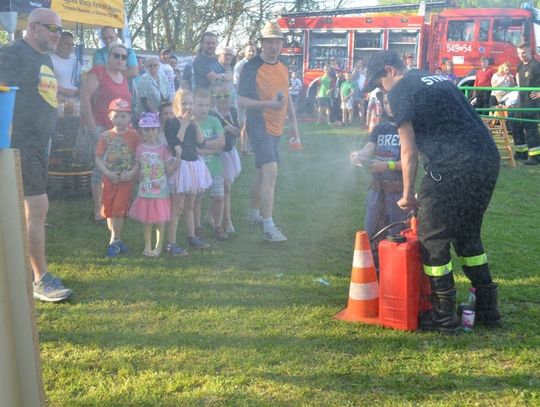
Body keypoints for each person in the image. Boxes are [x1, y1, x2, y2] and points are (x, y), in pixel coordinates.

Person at [365, 50, 501, 333]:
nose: (381, 89)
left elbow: (408, 150)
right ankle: (488, 310)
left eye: (379, 83)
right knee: (467, 233)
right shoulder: (435, 77)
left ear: (389, 70)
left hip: (453, 166)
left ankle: (444, 318)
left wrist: (407, 194)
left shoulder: (400, 91)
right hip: (486, 160)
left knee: (432, 238)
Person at [0, 7, 73, 301]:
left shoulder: (42, 57)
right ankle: (41, 279)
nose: (58, 35)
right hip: (20, 143)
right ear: (34, 28)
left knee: (32, 210)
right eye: (53, 29)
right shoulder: (13, 53)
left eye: (59, 29)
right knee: (36, 208)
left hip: (39, 144)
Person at [238, 21, 300, 242]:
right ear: (262, 43)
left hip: (277, 127)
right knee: (271, 171)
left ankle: (254, 213)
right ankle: (268, 226)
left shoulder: (283, 64)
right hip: (258, 125)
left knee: (261, 173)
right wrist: (267, 105)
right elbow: (241, 100)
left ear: (281, 44)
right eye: (270, 42)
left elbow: (287, 96)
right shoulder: (251, 67)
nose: (274, 46)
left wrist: (294, 124)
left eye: (277, 42)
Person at [350, 97, 406, 270]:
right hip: (376, 190)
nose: (390, 106)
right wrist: (359, 155)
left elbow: (410, 163)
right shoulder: (380, 128)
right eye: (387, 102)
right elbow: (369, 149)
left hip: (397, 192)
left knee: (397, 234)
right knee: (372, 232)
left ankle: (394, 271)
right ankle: (374, 271)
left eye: (393, 102)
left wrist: (387, 165)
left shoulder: (407, 129)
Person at [80, 42, 131, 224]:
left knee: (119, 166)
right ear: (109, 56)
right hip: (102, 127)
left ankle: (115, 206)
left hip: (122, 130)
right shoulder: (98, 72)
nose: (119, 59)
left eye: (123, 57)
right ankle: (97, 210)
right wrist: (93, 127)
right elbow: (84, 97)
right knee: (100, 169)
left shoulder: (124, 78)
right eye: (116, 55)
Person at [164, 89, 212, 253]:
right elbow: (175, 142)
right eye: (184, 103)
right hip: (180, 166)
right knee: (177, 207)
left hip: (194, 165)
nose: (188, 106)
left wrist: (195, 123)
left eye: (190, 103)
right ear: (177, 105)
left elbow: (202, 144)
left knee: (190, 205)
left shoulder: (193, 123)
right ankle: (171, 242)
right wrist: (184, 124)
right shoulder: (171, 123)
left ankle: (191, 237)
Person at [94, 98, 140, 257]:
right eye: (116, 116)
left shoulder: (134, 136)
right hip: (109, 178)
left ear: (129, 117)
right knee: (108, 210)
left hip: (125, 179)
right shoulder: (105, 136)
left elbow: (139, 158)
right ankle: (116, 239)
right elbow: (98, 158)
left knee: (119, 210)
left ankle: (113, 240)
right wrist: (108, 173)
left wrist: (132, 173)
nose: (120, 120)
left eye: (123, 116)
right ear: (110, 116)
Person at [129, 112, 179, 257]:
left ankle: (158, 247)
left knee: (160, 220)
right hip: (145, 190)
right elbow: (138, 166)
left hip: (160, 191)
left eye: (153, 129)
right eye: (146, 129)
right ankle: (147, 245)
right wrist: (136, 175)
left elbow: (168, 169)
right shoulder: (140, 148)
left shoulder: (164, 149)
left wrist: (179, 158)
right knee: (146, 220)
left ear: (158, 130)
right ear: (141, 131)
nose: (150, 132)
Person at [191, 88, 227, 240]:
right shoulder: (190, 123)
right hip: (198, 170)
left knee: (219, 197)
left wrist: (203, 148)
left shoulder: (214, 121)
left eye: (206, 105)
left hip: (214, 168)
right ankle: (197, 226)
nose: (204, 108)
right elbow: (191, 147)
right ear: (193, 105)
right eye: (200, 105)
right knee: (197, 199)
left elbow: (222, 143)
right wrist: (212, 148)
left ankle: (217, 225)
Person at [209, 81, 242, 234]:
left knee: (226, 188)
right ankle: (221, 219)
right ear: (213, 97)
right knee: (222, 189)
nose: (222, 99)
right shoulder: (211, 113)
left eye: (226, 95)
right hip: (216, 154)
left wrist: (236, 131)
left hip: (229, 152)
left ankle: (218, 217)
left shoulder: (233, 111)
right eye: (218, 96)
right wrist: (225, 128)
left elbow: (237, 131)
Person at [514, 43, 540, 164]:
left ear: (530, 51)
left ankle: (535, 156)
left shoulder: (536, 65)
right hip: (521, 101)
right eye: (519, 53)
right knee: (516, 125)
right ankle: (521, 152)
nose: (521, 55)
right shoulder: (519, 66)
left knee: (530, 128)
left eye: (524, 53)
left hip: (532, 102)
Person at [233, 44, 257, 154]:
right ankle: (242, 149)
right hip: (242, 98)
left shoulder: (257, 65)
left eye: (253, 51)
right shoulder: (239, 66)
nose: (251, 53)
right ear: (244, 52)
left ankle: (248, 148)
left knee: (252, 123)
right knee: (242, 124)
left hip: (253, 99)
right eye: (249, 51)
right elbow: (237, 83)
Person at [50, 31, 81, 102]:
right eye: (67, 44)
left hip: (75, 102)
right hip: (57, 101)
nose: (70, 47)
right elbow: (44, 83)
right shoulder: (49, 59)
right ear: (58, 43)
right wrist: (64, 90)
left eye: (72, 45)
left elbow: (79, 79)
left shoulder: (75, 60)